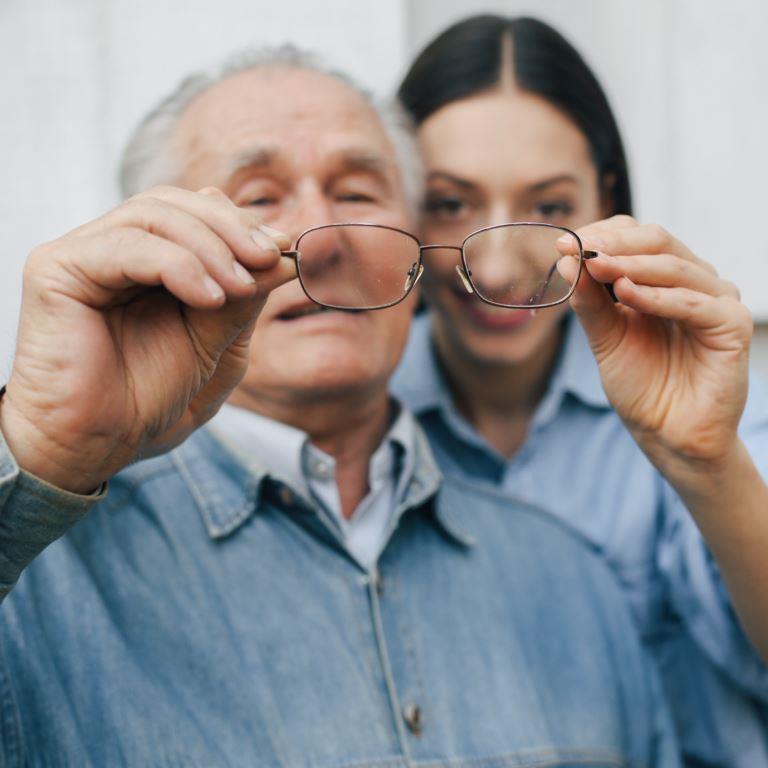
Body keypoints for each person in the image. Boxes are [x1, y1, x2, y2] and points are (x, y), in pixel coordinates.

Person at [0, 48, 678, 765]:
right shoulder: (37, 576)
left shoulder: (571, 578)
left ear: (419, 249)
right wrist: (36, 449)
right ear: (152, 251)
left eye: (358, 194)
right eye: (258, 198)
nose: (322, 244)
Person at [393, 14, 768, 767]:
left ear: (608, 198)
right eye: (451, 203)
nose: (496, 271)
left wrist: (706, 461)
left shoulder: (704, 401)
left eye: (551, 209)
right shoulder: (357, 414)